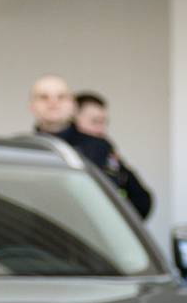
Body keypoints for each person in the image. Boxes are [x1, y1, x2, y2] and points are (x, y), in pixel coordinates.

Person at [64, 91, 154, 219]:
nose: (102, 129)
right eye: (95, 122)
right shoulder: (66, 149)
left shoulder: (104, 148)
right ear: (73, 118)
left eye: (104, 122)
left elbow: (139, 197)